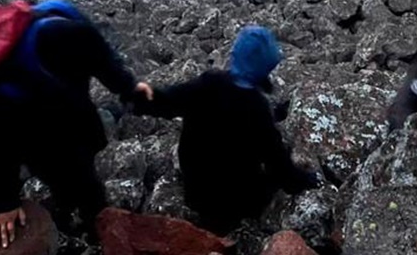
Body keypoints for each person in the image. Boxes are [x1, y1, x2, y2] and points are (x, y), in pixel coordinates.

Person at [0, 0, 152, 248]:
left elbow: (102, 61)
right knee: (73, 172)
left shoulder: (66, 34)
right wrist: (2, 203)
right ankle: (97, 229)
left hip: (50, 95)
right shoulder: (64, 40)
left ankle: (77, 205)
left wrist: (127, 86)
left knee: (80, 146)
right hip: (30, 105)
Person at [136, 26, 320, 234]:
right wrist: (306, 180)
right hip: (236, 202)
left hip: (196, 191)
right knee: (275, 162)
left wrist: (137, 96)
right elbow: (278, 163)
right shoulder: (256, 108)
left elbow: (167, 101)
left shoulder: (207, 84)